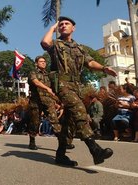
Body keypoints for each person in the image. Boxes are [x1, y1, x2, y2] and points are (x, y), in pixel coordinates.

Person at [41, 16, 117, 166]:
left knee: (70, 121)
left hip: (76, 85)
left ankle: (61, 155)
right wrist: (52, 28)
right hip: (62, 85)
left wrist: (103, 68)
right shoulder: (56, 44)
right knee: (79, 110)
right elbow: (45, 42)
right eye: (61, 24)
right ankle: (95, 149)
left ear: (73, 28)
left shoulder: (79, 48)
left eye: (66, 24)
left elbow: (89, 62)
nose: (63, 25)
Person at [27, 56, 61, 150]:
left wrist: (57, 100)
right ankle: (32, 141)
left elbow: (53, 88)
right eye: (41, 61)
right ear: (36, 63)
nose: (43, 63)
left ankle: (63, 142)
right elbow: (36, 82)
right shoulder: (32, 72)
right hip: (36, 101)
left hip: (48, 101)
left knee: (54, 119)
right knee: (35, 122)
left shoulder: (48, 74)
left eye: (44, 61)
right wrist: (46, 88)